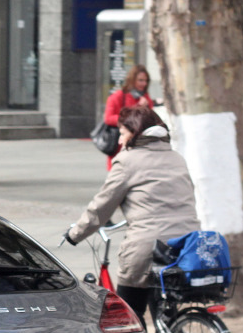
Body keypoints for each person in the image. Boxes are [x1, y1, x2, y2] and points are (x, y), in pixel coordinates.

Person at [65, 105, 200, 320]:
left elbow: (101, 206)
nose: (119, 141)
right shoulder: (177, 158)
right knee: (167, 315)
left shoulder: (127, 161)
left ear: (136, 132)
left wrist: (74, 235)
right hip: (186, 246)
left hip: (149, 247)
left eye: (122, 133)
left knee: (129, 315)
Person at [102, 65, 154, 169]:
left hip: (141, 145)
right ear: (132, 80)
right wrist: (136, 109)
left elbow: (151, 119)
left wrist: (147, 107)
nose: (144, 84)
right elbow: (108, 118)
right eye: (140, 80)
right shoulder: (118, 96)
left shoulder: (145, 97)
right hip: (120, 145)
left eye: (146, 81)